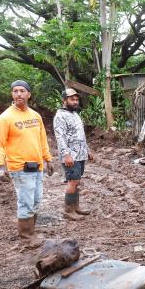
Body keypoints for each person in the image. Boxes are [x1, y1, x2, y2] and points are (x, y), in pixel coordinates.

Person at [0, 80, 54, 247]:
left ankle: (31, 232)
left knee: (36, 200)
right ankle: (26, 237)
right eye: (15, 91)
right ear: (12, 94)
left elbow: (42, 139)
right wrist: (0, 165)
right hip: (19, 167)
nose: (18, 94)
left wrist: (48, 159)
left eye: (22, 91)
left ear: (29, 94)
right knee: (25, 201)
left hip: (37, 166)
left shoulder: (35, 116)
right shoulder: (5, 118)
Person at [53, 88, 93, 220]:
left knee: (77, 181)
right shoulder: (60, 116)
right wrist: (66, 155)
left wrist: (87, 150)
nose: (75, 102)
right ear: (64, 100)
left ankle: (76, 207)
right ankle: (68, 211)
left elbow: (80, 135)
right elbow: (60, 138)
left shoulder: (75, 114)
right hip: (71, 156)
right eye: (72, 99)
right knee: (73, 181)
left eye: (76, 99)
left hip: (80, 154)